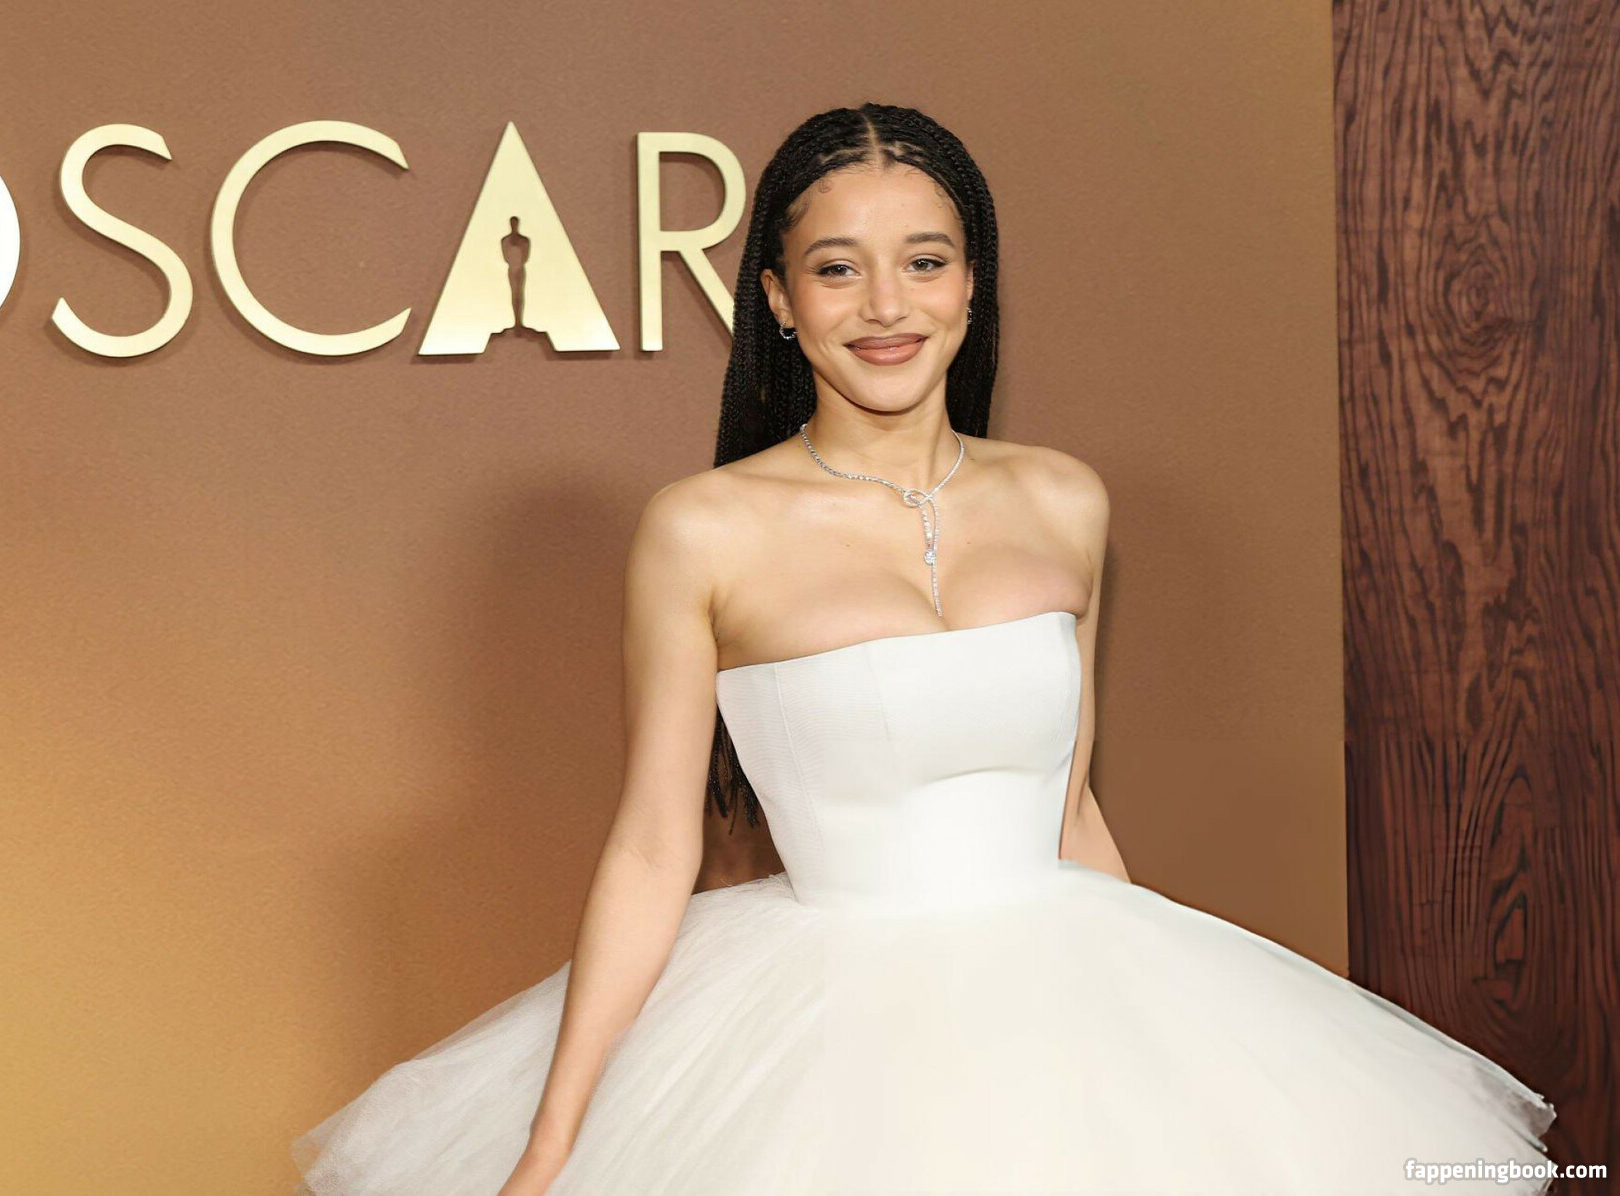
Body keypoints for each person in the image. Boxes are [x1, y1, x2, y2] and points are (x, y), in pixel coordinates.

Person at [291, 103, 1557, 1195]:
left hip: (1063, 1011)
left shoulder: (1064, 498)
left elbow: (1068, 809)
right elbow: (652, 847)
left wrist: (1163, 1049)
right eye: (837, 269)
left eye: (925, 261)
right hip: (824, 1053)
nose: (887, 306)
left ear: (971, 283)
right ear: (778, 299)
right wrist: (553, 1140)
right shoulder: (703, 528)